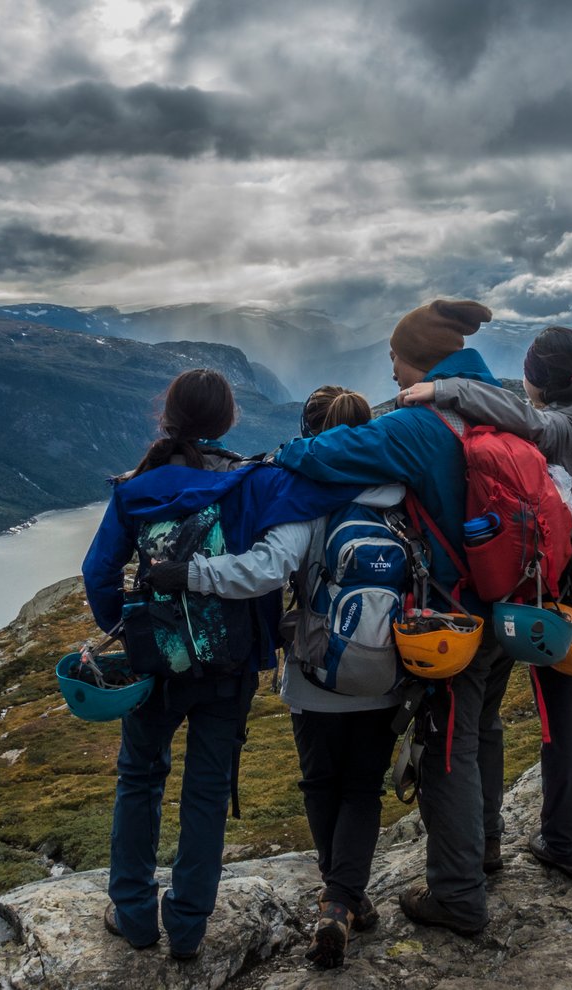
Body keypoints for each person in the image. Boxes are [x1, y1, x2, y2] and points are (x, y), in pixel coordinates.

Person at [82, 369, 359, 961]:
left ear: (168, 417)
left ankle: (133, 916)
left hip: (156, 660)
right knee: (207, 790)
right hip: (229, 667)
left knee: (140, 778)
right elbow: (308, 519)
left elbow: (97, 572)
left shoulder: (136, 488)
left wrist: (125, 632)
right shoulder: (254, 484)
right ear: (229, 421)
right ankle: (187, 928)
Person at [400, 324, 572, 879]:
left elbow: (518, 416)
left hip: (571, 601)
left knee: (559, 722)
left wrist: (442, 390)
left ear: (536, 382)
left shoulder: (563, 428)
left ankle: (565, 844)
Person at [275, 300, 511, 937]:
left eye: (394, 361)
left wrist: (282, 452)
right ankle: (485, 847)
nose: (392, 374)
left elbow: (325, 455)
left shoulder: (422, 423)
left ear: (418, 360)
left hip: (455, 620)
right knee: (483, 730)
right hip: (512, 602)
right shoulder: (500, 404)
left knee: (446, 754)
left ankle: (459, 897)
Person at [145, 385, 400, 968]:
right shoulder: (398, 494)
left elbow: (263, 571)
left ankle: (337, 897)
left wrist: (189, 575)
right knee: (363, 786)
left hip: (316, 674)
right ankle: (343, 901)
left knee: (319, 783)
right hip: (387, 667)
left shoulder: (304, 497)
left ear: (311, 436)